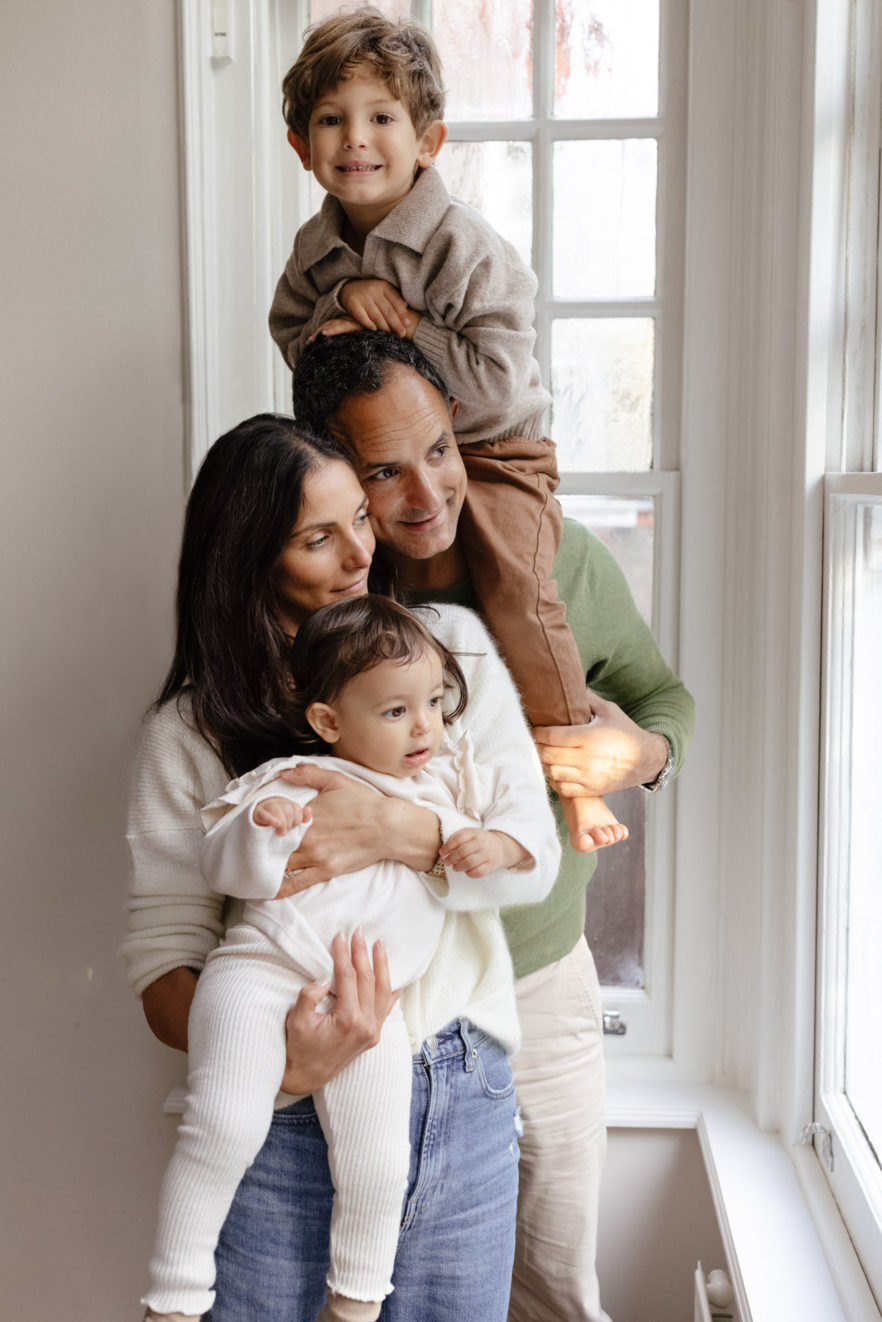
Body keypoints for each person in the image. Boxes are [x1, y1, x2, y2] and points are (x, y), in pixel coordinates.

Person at [289, 331, 697, 1322]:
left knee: (555, 1288)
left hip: (539, 983)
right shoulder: (317, 587)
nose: (426, 491)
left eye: (437, 449)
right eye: (383, 471)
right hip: (377, 993)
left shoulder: (550, 557)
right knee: (375, 1284)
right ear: (338, 475)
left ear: (462, 427)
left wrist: (636, 755)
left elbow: (661, 699)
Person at [123, 414, 563, 1322]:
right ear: (247, 558)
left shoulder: (443, 649)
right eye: (318, 538)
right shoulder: (191, 732)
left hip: (456, 1084)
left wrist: (394, 831)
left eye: (359, 518)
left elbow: (533, 864)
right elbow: (166, 973)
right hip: (284, 1110)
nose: (361, 552)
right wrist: (286, 1058)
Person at [268, 5, 625, 852]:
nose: (357, 139)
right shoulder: (315, 249)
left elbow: (499, 384)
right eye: (331, 120)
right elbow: (293, 336)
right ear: (300, 146)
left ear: (428, 140)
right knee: (351, 581)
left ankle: (571, 779)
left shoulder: (465, 248)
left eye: (382, 117)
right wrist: (336, 303)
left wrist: (402, 331)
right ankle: (370, 757)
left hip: (497, 450)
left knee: (514, 591)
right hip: (378, 453)